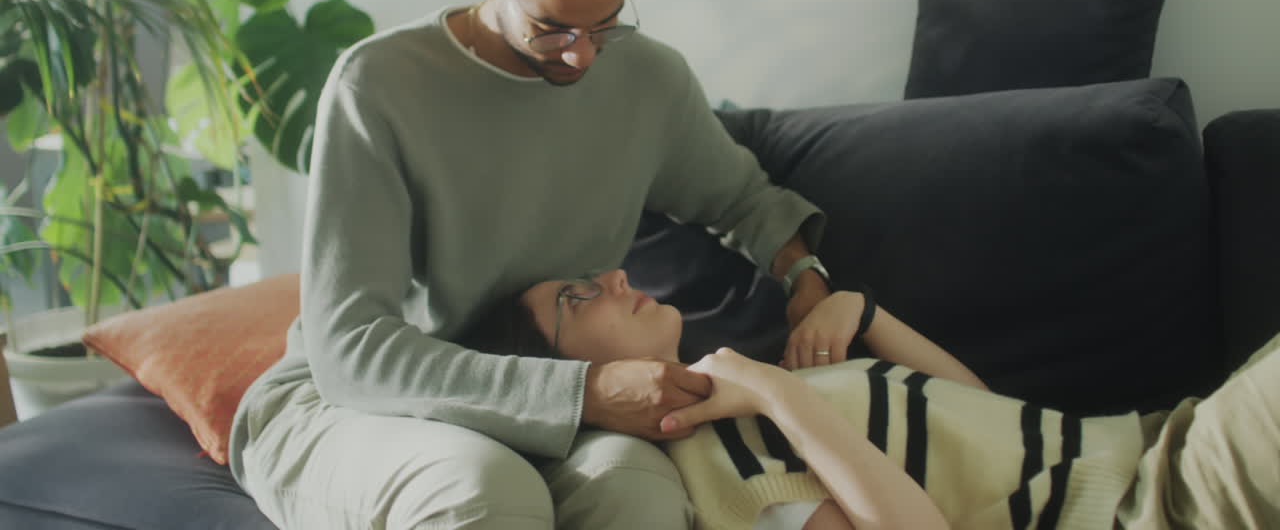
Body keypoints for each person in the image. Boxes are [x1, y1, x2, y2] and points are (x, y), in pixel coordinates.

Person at [228, 0, 848, 530]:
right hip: (357, 406)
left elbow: (744, 201)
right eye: (552, 28)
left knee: (637, 495)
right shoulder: (380, 88)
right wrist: (581, 392)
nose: (582, 56)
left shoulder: (647, 78)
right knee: (485, 491)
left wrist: (807, 278)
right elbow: (351, 350)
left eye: (606, 23)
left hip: (546, 406)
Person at [466, 268, 1280, 530]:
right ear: (563, 377)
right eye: (578, 298)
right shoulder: (714, 461)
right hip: (1153, 506)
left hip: (1154, 449)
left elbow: (994, 424)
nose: (613, 276)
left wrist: (867, 314)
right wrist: (786, 400)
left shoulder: (747, 389)